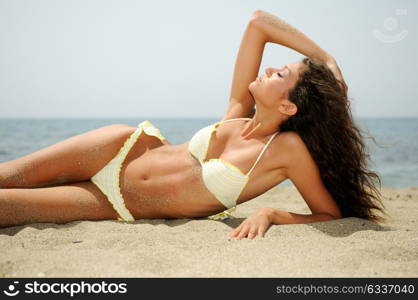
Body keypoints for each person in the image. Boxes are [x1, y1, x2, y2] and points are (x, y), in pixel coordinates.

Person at [0, 10, 387, 238]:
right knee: (10, 173)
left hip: (115, 205)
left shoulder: (287, 151)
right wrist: (325, 57)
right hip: (120, 146)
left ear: (289, 107)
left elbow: (330, 215)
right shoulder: (238, 113)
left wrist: (272, 214)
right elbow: (258, 23)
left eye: (281, 73)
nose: (269, 68)